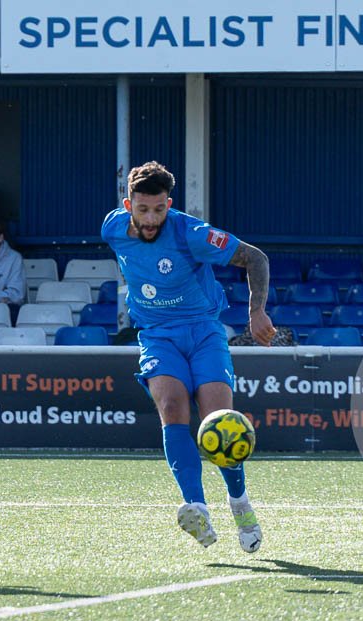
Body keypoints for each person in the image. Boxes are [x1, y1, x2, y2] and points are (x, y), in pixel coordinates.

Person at [102, 161, 272, 553]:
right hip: (157, 335)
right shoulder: (112, 228)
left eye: (159, 209)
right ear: (129, 205)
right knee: (171, 405)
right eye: (143, 210)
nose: (151, 219)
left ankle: (239, 501)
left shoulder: (191, 233)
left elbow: (255, 258)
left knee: (219, 422)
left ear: (169, 204)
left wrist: (256, 311)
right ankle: (196, 506)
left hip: (203, 331)